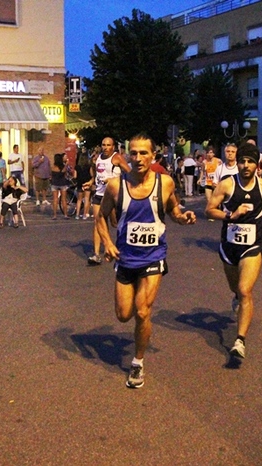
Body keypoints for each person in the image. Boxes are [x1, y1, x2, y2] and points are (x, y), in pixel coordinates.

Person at [96, 133, 196, 388]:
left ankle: (138, 362)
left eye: (144, 153)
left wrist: (183, 217)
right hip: (126, 258)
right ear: (127, 154)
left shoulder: (166, 183)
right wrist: (107, 243)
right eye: (134, 153)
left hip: (154, 256)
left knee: (142, 311)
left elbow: (174, 210)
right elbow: (100, 217)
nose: (138, 158)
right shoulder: (116, 186)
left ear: (153, 156)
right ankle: (139, 338)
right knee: (123, 315)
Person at [205, 143, 262, 360]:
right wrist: (231, 214)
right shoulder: (226, 185)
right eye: (242, 161)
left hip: (253, 245)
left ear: (257, 164)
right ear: (237, 163)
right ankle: (236, 297)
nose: (246, 165)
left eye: (250, 161)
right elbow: (209, 210)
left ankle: (240, 340)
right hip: (229, 246)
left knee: (245, 289)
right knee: (236, 289)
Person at [83, 136, 130, 265]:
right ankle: (97, 254)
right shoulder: (98, 158)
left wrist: (113, 180)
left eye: (108, 145)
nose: (105, 147)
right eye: (103, 145)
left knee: (115, 223)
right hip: (99, 194)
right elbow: (98, 175)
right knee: (98, 222)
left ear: (113, 147)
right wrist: (91, 182)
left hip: (114, 196)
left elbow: (130, 173)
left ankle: (125, 249)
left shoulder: (117, 158)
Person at [50, 153, 72, 220]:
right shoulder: (63, 166)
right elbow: (63, 172)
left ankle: (54, 215)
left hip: (54, 183)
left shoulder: (53, 166)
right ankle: (65, 214)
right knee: (63, 200)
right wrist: (67, 164)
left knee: (55, 200)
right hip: (62, 183)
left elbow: (51, 174)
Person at [202, 147, 220, 218]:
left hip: (216, 183)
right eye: (208, 153)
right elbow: (203, 172)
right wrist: (200, 179)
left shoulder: (218, 161)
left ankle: (216, 211)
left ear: (214, 154)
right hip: (208, 182)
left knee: (216, 200)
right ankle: (210, 215)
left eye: (211, 153)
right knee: (209, 200)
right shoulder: (204, 162)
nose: (209, 154)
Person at [74, 151, 93, 219]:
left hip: (80, 183)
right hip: (87, 183)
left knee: (79, 200)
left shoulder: (77, 166)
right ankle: (85, 214)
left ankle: (77, 214)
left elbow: (75, 176)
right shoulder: (88, 166)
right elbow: (92, 175)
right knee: (86, 199)